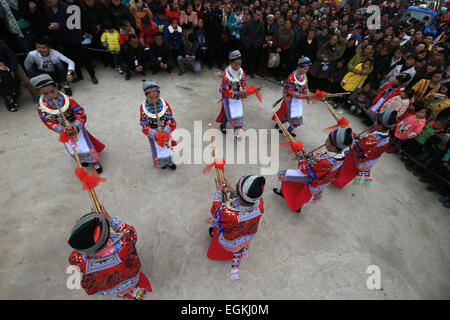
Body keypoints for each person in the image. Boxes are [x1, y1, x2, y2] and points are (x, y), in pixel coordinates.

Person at [67, 206, 152, 299]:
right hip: (131, 280)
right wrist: (109, 218)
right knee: (129, 284)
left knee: (118, 288)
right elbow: (130, 231)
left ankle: (123, 293)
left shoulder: (79, 259)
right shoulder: (126, 243)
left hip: (109, 287)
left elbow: (73, 259)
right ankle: (132, 291)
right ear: (107, 232)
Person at [31, 74, 104, 173]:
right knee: (73, 148)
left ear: (56, 87)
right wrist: (60, 128)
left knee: (84, 147)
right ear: (40, 93)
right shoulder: (42, 107)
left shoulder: (68, 100)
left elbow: (80, 112)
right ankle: (83, 160)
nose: (50, 95)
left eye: (52, 91)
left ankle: (94, 163)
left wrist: (77, 125)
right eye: (46, 93)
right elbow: (47, 120)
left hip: (75, 125)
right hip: (63, 130)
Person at [274, 127, 353, 213]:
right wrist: (309, 155)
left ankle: (289, 198)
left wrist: (301, 157)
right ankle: (287, 195)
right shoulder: (340, 154)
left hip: (312, 179)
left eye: (327, 140)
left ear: (333, 147)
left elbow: (308, 170)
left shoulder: (327, 162)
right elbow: (321, 156)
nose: (325, 141)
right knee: (301, 191)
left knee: (283, 175)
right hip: (319, 178)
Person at [207, 174, 265, 281]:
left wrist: (219, 192)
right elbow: (244, 200)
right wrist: (229, 189)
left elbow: (215, 211)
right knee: (242, 243)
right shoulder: (259, 203)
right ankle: (241, 250)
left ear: (240, 196)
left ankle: (230, 249)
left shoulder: (231, 214)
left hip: (232, 237)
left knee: (219, 233)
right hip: (248, 233)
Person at [333, 111, 398, 188]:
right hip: (367, 160)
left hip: (355, 159)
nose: (374, 121)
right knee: (349, 173)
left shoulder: (374, 138)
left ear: (380, 125)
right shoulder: (387, 136)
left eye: (376, 120)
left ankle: (335, 181)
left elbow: (355, 148)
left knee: (345, 170)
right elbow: (369, 145)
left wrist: (351, 139)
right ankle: (339, 182)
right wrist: (359, 138)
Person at [44, 0, 98, 85]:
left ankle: (92, 75)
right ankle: (79, 75)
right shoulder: (47, 8)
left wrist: (60, 26)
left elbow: (75, 24)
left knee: (84, 57)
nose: (49, 1)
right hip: (62, 38)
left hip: (74, 37)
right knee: (71, 59)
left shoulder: (67, 7)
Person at [272, 56, 314, 137]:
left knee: (297, 116)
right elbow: (291, 92)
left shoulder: (304, 76)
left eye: (307, 69)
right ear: (299, 67)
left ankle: (290, 130)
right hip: (289, 99)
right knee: (287, 115)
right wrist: (304, 96)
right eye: (305, 68)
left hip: (297, 100)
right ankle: (278, 124)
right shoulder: (291, 77)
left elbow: (304, 87)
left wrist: (307, 93)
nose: (306, 71)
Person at [139, 80, 177, 169]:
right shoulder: (143, 107)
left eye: (157, 97)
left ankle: (169, 161)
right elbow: (143, 122)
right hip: (153, 132)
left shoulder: (164, 103)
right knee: (156, 148)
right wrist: (153, 133)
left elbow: (170, 116)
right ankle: (161, 163)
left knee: (167, 146)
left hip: (164, 129)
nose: (154, 100)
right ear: (146, 96)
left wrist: (167, 128)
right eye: (151, 97)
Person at [215, 50, 249, 140]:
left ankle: (236, 130)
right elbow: (226, 89)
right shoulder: (226, 75)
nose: (238, 67)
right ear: (230, 63)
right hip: (228, 96)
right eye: (236, 64)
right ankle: (223, 124)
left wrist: (245, 90)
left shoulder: (241, 72)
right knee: (229, 112)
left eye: (239, 64)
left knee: (238, 113)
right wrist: (237, 94)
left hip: (238, 96)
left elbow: (244, 82)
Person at [241, 8, 264, 79]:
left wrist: (258, 43)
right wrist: (244, 42)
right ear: (254, 14)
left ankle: (251, 72)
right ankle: (242, 71)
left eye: (259, 15)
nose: (258, 16)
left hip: (255, 44)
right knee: (245, 58)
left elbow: (261, 35)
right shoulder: (248, 22)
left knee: (253, 59)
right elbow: (243, 33)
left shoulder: (261, 23)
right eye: (257, 15)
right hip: (247, 44)